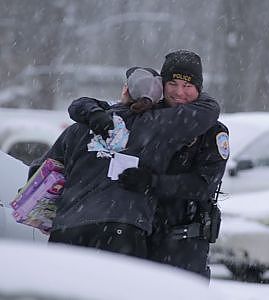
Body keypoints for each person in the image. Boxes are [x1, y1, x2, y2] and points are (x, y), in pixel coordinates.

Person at [67, 50, 229, 279]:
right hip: (138, 235)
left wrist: (153, 183)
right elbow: (83, 105)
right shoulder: (146, 113)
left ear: (199, 89)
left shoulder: (212, 130)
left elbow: (204, 185)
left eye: (188, 86)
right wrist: (93, 112)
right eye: (172, 83)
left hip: (184, 242)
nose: (179, 92)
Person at [29, 65, 220, 259]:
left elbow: (39, 172)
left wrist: (48, 215)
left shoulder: (81, 126)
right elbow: (210, 109)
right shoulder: (160, 127)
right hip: (122, 230)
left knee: (61, 289)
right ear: (157, 99)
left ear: (126, 89)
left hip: (67, 229)